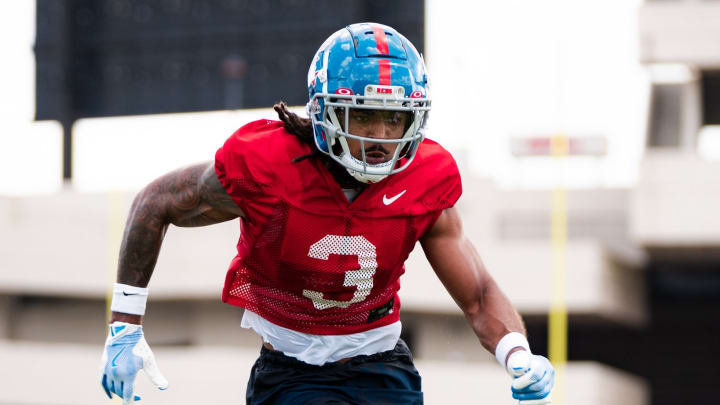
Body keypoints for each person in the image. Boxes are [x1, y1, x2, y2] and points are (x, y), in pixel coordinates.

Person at [99, 22, 555, 405]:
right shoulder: (266, 166)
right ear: (325, 112)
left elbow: (476, 294)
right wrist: (125, 325)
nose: (380, 136)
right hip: (292, 372)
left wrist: (516, 351)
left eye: (394, 119)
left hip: (383, 369)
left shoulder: (425, 177)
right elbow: (153, 203)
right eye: (363, 116)